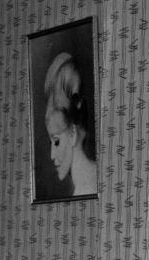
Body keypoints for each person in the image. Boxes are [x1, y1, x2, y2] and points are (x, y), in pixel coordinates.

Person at [43, 52, 96, 197]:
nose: (52, 155)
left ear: (73, 133)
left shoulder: (85, 190)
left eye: (57, 142)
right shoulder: (96, 173)